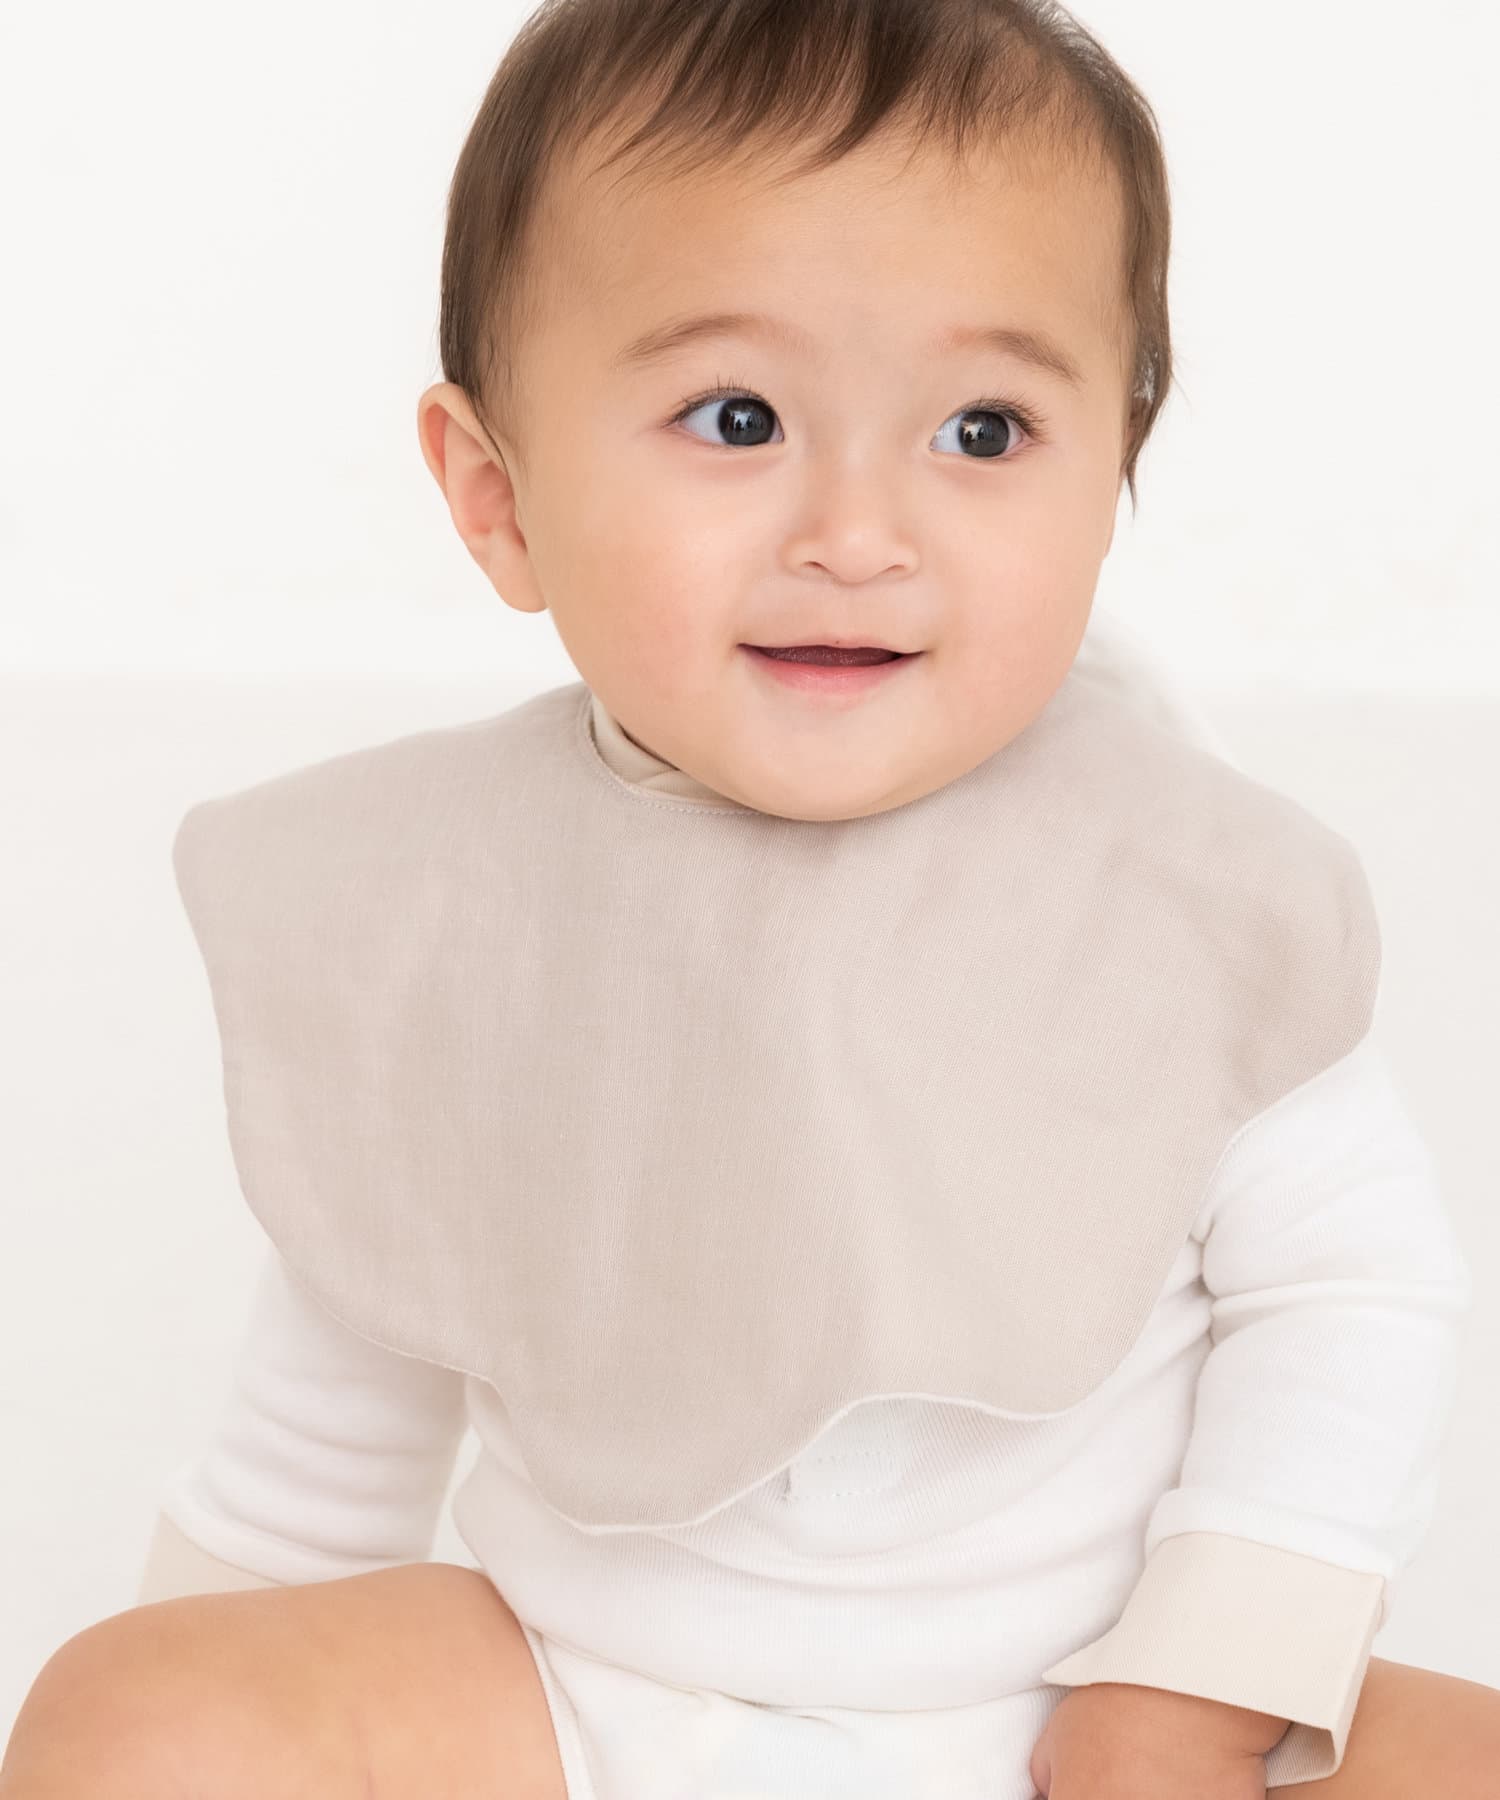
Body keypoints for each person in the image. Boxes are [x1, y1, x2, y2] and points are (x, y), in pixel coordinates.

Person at [5, 2, 1497, 1797]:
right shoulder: (445, 907)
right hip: (582, 1698)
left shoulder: (1181, 893)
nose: (858, 532)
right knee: (135, 1710)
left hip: (1089, 1710)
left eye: (985, 428)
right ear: (498, 497)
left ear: (1116, 472)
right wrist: (229, 1671)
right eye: (738, 418)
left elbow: (1351, 1293)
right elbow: (346, 1377)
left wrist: (1198, 1687)